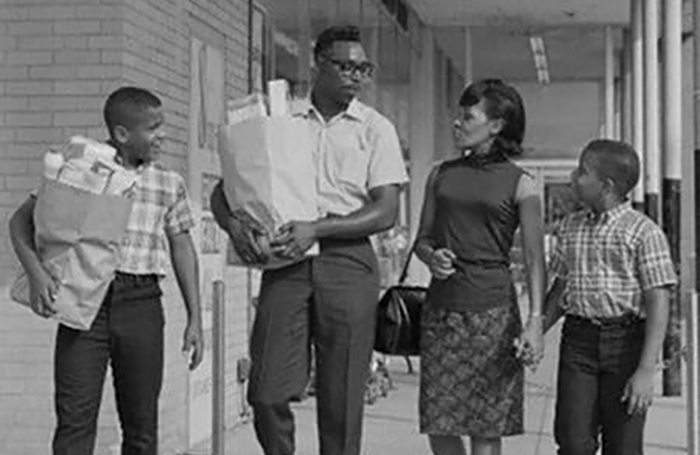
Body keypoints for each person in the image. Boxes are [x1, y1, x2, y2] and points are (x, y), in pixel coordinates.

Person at [210, 25, 408, 455]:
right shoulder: (279, 119)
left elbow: (386, 210)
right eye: (345, 66)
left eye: (363, 68)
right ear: (318, 64)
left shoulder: (376, 129)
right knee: (265, 391)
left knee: (342, 399)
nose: (356, 76)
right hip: (287, 264)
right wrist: (234, 225)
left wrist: (316, 229)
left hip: (348, 261)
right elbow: (223, 192)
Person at [9, 86, 205, 455]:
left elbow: (182, 246)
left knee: (142, 426)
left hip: (142, 304)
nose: (162, 135)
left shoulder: (168, 183)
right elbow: (19, 223)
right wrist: (35, 274)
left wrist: (195, 317)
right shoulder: (79, 171)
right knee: (74, 422)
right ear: (121, 134)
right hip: (85, 306)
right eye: (153, 128)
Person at [414, 79, 546, 455]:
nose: (457, 122)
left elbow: (536, 258)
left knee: (487, 428)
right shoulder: (439, 174)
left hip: (495, 317)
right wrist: (431, 257)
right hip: (441, 314)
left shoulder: (523, 184)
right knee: (439, 421)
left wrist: (535, 322)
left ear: (496, 125)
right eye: (458, 115)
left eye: (468, 115)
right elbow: (421, 241)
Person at [542, 139, 677, 455]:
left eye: (582, 171)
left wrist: (645, 370)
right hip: (579, 343)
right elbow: (561, 290)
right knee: (573, 443)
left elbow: (659, 301)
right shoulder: (571, 227)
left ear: (606, 186)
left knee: (624, 446)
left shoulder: (643, 232)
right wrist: (536, 331)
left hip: (626, 345)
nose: (574, 177)